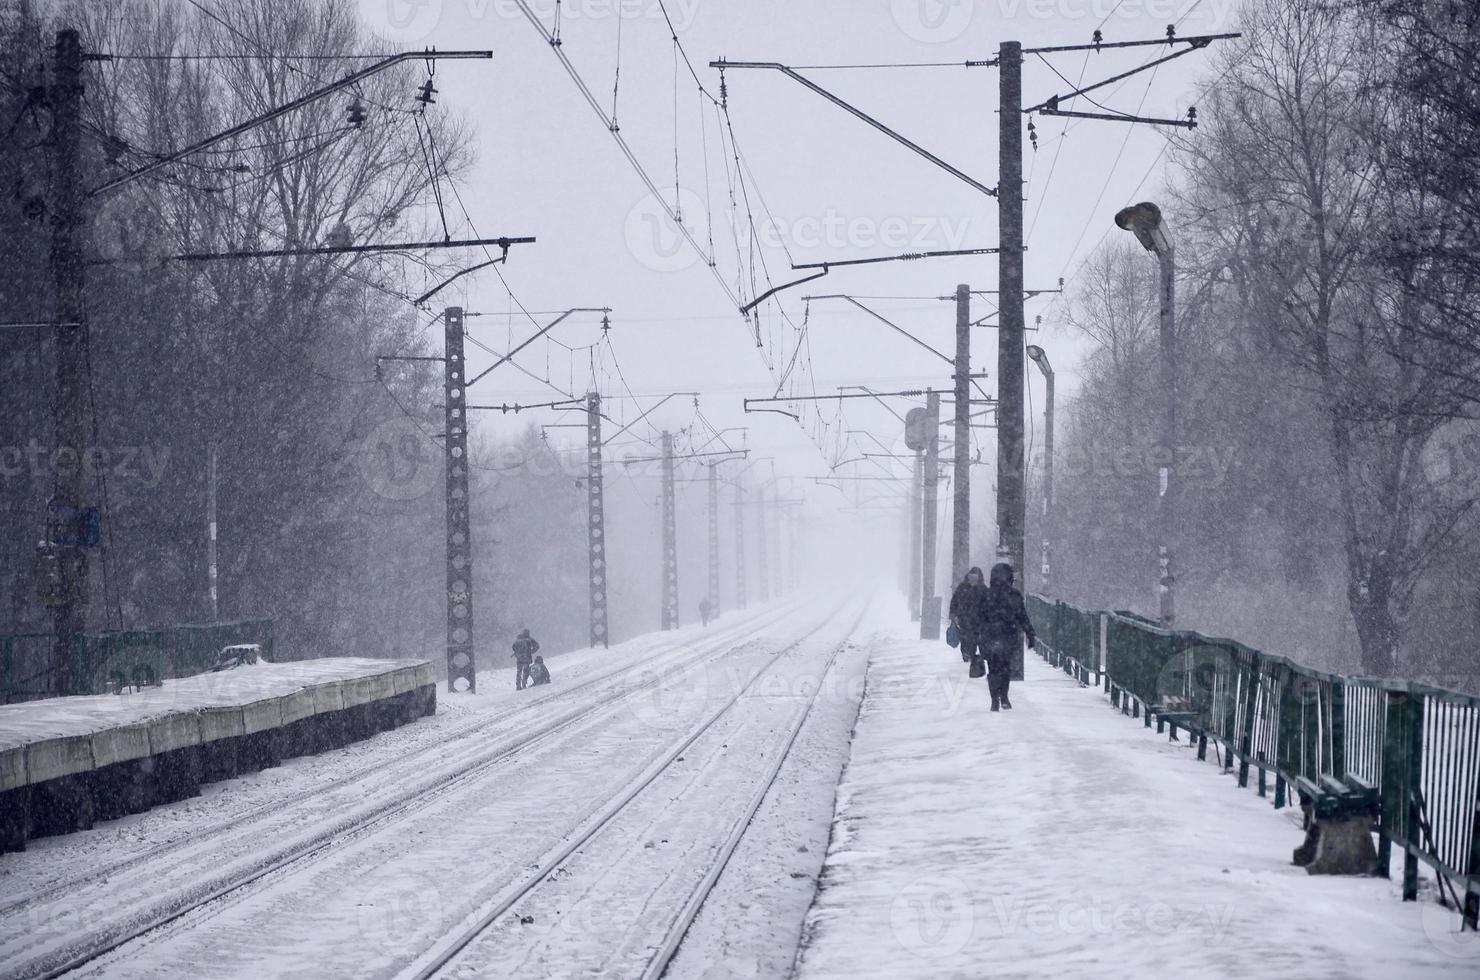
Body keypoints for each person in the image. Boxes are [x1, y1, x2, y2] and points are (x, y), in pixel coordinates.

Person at [979, 562, 1036, 711]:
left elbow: (979, 617)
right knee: (1005, 668)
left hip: (990, 636)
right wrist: (1030, 633)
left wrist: (977, 635)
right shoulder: (1014, 595)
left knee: (993, 669)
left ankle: (994, 699)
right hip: (1008, 635)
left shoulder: (986, 595)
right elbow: (1022, 616)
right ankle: (1004, 696)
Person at [948, 566, 990, 667]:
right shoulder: (983, 589)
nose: (973, 580)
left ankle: (968, 655)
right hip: (975, 620)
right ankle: (972, 656)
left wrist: (953, 614)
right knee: (973, 638)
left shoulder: (962, 587)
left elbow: (954, 601)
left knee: (967, 638)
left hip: (968, 619)